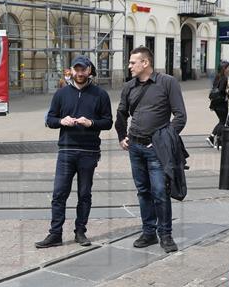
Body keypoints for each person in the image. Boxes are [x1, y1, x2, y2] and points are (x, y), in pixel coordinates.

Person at [35, 56, 113, 249]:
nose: (80, 73)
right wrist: (62, 121)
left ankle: (80, 232)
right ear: (71, 70)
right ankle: (55, 234)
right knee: (59, 193)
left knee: (84, 194)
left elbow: (108, 122)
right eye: (77, 70)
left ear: (89, 71)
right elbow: (50, 119)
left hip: (89, 151)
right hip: (66, 151)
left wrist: (92, 123)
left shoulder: (100, 94)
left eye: (83, 70)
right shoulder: (61, 94)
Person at [115, 46, 187, 253]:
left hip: (156, 149)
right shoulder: (129, 87)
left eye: (132, 62)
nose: (129, 66)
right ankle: (149, 233)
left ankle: (165, 235)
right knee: (143, 191)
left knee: (159, 192)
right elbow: (120, 114)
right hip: (135, 147)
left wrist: (162, 140)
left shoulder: (167, 82)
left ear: (145, 63)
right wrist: (122, 136)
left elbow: (180, 116)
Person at [206, 62, 229, 148]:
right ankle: (216, 140)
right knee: (223, 122)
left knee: (221, 121)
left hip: (215, 103)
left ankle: (213, 138)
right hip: (221, 103)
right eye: (228, 67)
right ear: (224, 69)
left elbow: (215, 88)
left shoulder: (217, 77)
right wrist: (228, 92)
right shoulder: (224, 78)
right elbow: (221, 90)